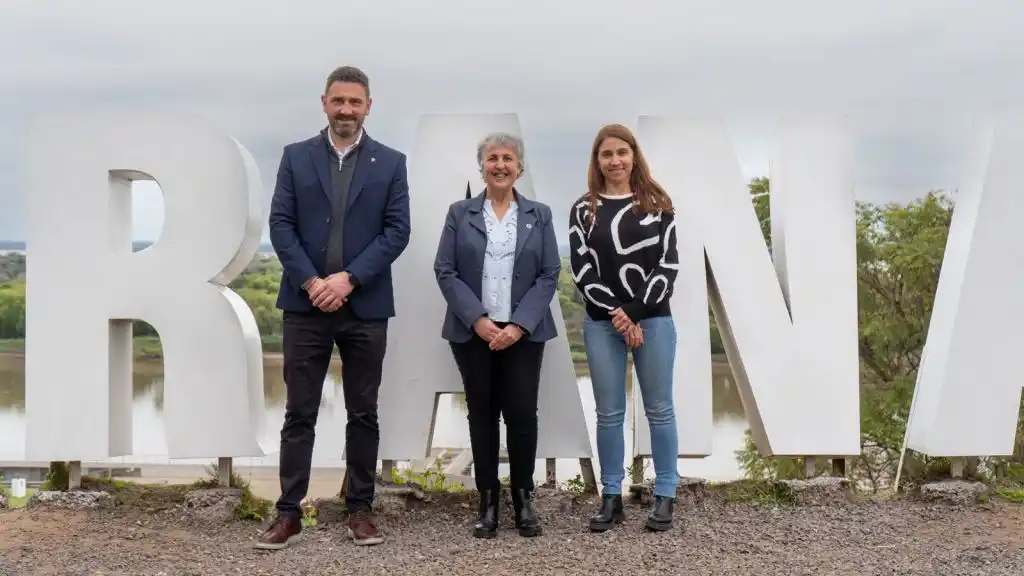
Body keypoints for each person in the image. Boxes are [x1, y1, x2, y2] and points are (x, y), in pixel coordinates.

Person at [256, 65, 411, 550]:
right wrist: (311, 282)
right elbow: (280, 224)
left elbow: (396, 231)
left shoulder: (391, 162)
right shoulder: (295, 157)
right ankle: (288, 514)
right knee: (299, 413)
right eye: (338, 101)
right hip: (305, 306)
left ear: (369, 106)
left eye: (355, 102)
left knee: (363, 411)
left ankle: (360, 511)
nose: (346, 110)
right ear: (324, 102)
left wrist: (347, 279)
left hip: (364, 305)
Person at [433, 132, 561, 538]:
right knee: (483, 416)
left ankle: (523, 498)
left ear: (519, 167)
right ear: (482, 167)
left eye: (508, 158)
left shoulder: (539, 214)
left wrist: (519, 325)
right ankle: (487, 501)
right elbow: (445, 270)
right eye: (492, 158)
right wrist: (478, 320)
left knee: (522, 415)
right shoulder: (460, 212)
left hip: (524, 333)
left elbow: (549, 273)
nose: (500, 165)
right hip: (474, 334)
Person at [568, 123, 680, 532]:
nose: (615, 161)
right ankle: (611, 496)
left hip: (653, 319)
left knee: (660, 409)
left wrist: (633, 312)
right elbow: (581, 270)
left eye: (621, 152)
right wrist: (618, 313)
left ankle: (665, 493)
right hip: (602, 324)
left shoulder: (658, 202)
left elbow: (667, 266)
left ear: (634, 155)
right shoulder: (584, 209)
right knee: (609, 413)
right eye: (606, 154)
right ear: (597, 160)